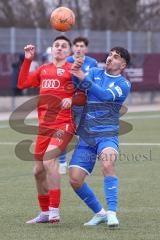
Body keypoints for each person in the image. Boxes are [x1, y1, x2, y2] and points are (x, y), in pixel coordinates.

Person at [17, 36, 86, 224]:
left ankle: (55, 210)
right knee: (38, 171)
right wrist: (28, 59)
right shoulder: (43, 69)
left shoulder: (73, 70)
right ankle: (45, 212)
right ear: (52, 49)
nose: (60, 48)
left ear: (69, 52)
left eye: (64, 46)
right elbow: (22, 84)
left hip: (64, 123)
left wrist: (72, 100)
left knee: (49, 160)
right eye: (57, 45)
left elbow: (83, 96)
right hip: (44, 126)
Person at [69, 47, 131, 227]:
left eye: (116, 56)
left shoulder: (124, 84)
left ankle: (112, 213)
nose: (110, 58)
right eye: (110, 54)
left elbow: (104, 96)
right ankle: (100, 213)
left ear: (123, 64)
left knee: (107, 164)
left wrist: (82, 77)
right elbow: (77, 85)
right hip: (87, 137)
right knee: (74, 179)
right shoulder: (95, 72)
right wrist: (76, 71)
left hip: (107, 135)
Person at [59, 37, 98, 174]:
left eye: (82, 46)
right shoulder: (66, 61)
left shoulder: (92, 63)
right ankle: (62, 162)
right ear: (72, 48)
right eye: (76, 46)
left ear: (86, 49)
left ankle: (80, 162)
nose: (79, 48)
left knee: (84, 135)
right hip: (67, 104)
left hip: (84, 104)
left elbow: (93, 83)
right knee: (64, 132)